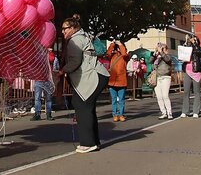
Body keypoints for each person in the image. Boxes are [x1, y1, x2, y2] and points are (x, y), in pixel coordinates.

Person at [59, 14, 110, 153]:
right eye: (62, 29)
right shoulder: (82, 36)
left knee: (82, 106)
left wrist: (62, 70)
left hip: (93, 77)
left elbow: (75, 61)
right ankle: (94, 142)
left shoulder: (75, 40)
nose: (63, 31)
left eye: (65, 29)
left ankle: (88, 143)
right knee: (86, 107)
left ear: (74, 28)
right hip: (97, 75)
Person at [180, 35, 201, 119]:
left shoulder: (200, 49)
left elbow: (199, 52)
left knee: (196, 92)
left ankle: (196, 111)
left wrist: (194, 44)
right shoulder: (187, 48)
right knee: (186, 92)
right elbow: (182, 53)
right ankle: (185, 111)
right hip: (187, 71)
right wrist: (186, 42)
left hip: (196, 71)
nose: (191, 41)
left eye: (194, 40)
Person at [30, 48, 58, 121]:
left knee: (48, 98)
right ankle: (37, 114)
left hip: (47, 79)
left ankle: (48, 114)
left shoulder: (50, 54)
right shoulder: (37, 53)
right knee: (37, 98)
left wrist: (49, 52)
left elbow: (51, 59)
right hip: (38, 78)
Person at [106, 40, 128, 122]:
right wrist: (112, 44)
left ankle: (121, 114)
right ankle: (115, 114)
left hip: (121, 81)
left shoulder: (125, 56)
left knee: (121, 100)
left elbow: (124, 54)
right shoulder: (112, 56)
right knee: (114, 100)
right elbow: (107, 53)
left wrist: (120, 44)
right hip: (112, 81)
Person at [149, 43, 173, 120]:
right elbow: (150, 61)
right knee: (159, 97)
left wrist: (162, 52)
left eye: (163, 48)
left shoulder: (168, 56)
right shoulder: (157, 57)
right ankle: (163, 112)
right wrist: (154, 54)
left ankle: (169, 113)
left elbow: (167, 59)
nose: (160, 50)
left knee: (165, 96)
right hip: (157, 78)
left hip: (165, 77)